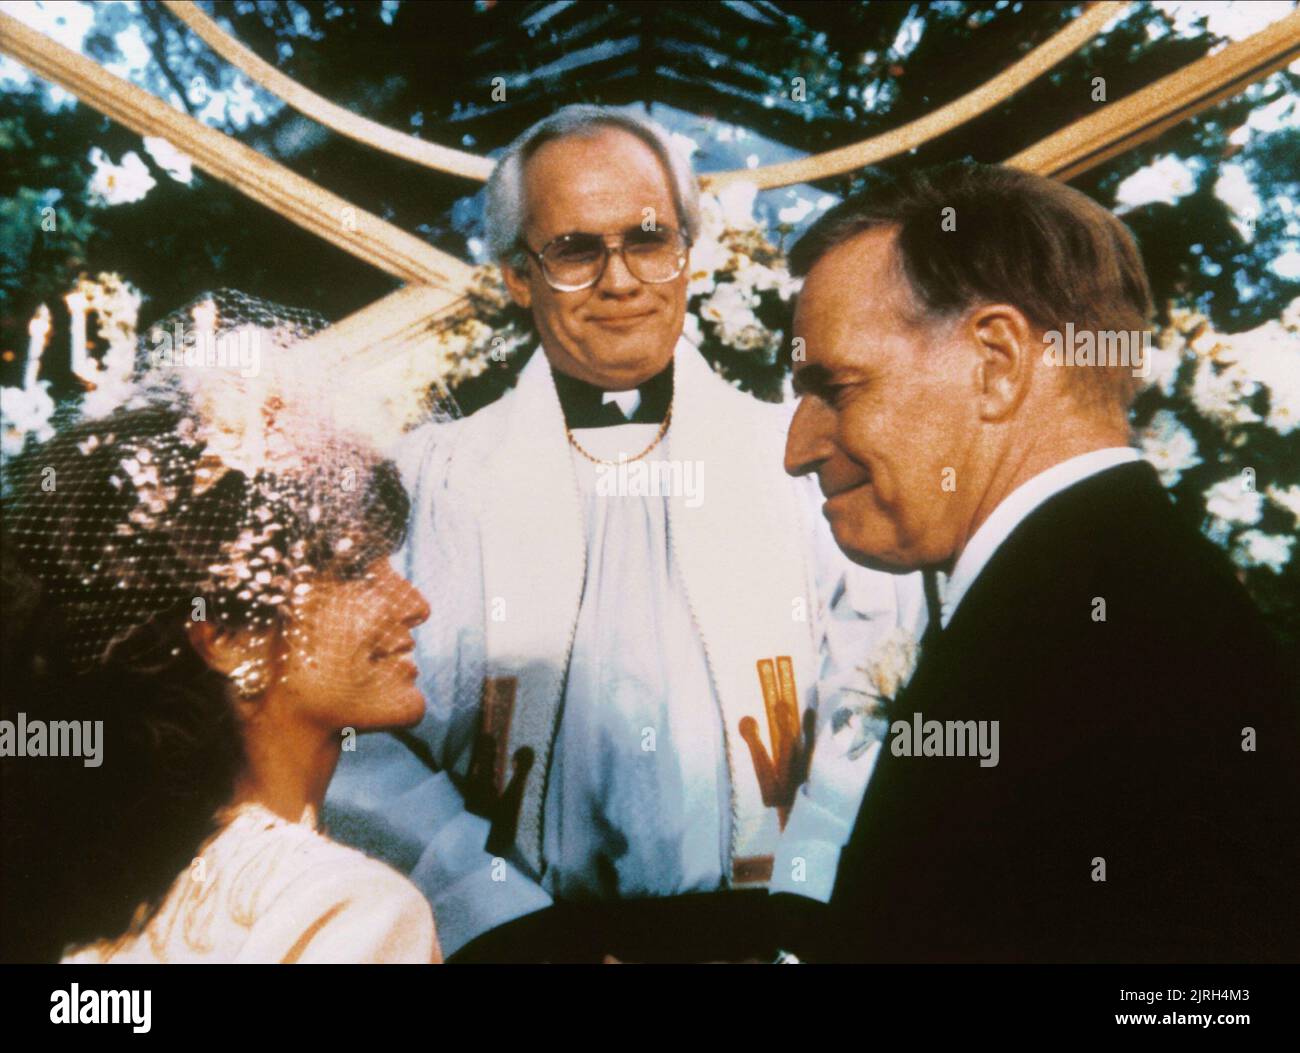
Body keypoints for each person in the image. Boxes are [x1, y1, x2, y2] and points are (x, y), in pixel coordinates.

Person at [325, 105, 922, 962]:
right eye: (575, 250)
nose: (621, 280)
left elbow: (877, 690)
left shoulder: (798, 458)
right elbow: (349, 730)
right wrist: (484, 906)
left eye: (649, 240)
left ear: (689, 252)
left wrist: (806, 889)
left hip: (766, 940)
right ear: (517, 276)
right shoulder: (430, 480)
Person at [778, 161, 1300, 962]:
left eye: (836, 387)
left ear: (997, 362)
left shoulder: (1090, 641)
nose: (799, 449)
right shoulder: (1118, 594)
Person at [0, 299, 441, 964]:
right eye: (354, 570)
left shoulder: (92, 888)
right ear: (226, 635)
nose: (413, 603)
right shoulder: (345, 910)